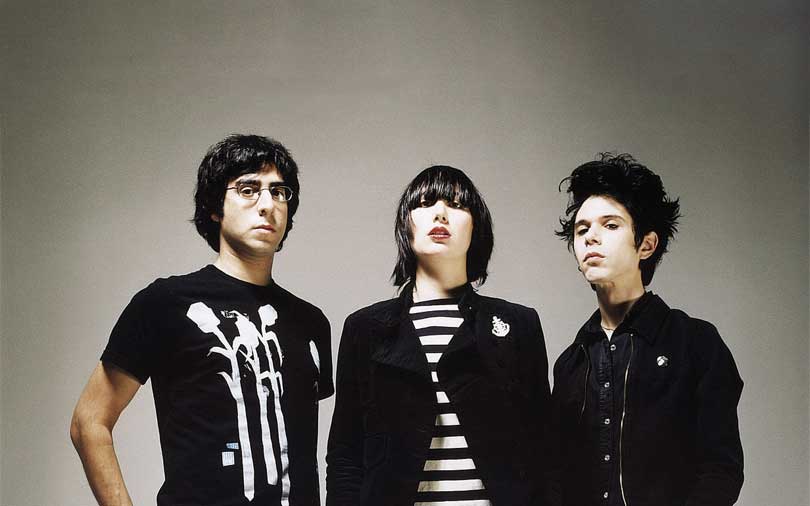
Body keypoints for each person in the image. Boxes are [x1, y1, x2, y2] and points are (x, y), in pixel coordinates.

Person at [70, 134, 334, 506]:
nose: (267, 204)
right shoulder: (166, 303)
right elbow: (89, 422)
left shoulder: (311, 323)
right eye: (248, 189)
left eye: (278, 192)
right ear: (214, 208)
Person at [326, 165, 550, 506]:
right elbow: (346, 454)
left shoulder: (518, 324)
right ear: (406, 225)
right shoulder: (365, 328)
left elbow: (544, 449)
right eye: (425, 203)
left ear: (476, 228)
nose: (441, 213)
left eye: (457, 205)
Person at [550, 153, 744, 505]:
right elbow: (558, 479)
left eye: (610, 225)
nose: (591, 237)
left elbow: (720, 470)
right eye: (582, 229)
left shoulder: (695, 343)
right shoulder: (571, 363)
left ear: (647, 245)